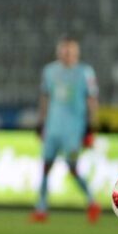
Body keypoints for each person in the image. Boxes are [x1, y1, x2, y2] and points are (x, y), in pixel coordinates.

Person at [32, 36, 100, 223]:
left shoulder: (85, 72)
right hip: (53, 127)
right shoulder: (50, 71)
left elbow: (92, 100)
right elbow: (45, 97)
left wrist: (91, 128)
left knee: (72, 168)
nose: (66, 54)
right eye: (63, 51)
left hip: (73, 129)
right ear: (58, 52)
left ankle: (92, 201)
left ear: (76, 53)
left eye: (70, 51)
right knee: (46, 167)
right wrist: (41, 122)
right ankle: (41, 208)